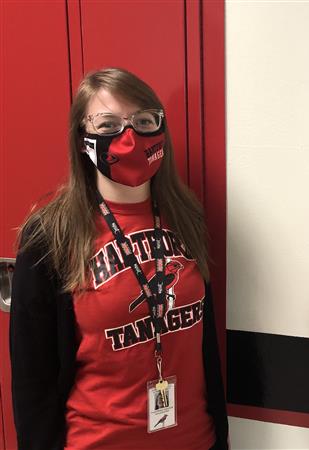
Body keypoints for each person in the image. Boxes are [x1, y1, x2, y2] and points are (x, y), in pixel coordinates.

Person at [9, 68, 228, 449]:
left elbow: (204, 343)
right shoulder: (51, 234)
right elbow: (33, 379)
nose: (129, 138)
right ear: (82, 140)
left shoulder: (185, 215)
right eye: (108, 125)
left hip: (194, 439)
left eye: (143, 121)